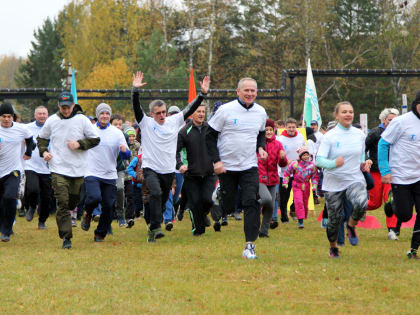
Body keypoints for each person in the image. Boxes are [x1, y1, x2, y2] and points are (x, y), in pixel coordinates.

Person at [131, 71, 210, 242]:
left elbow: (190, 109)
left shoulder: (174, 121)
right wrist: (135, 91)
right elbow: (137, 109)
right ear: (152, 114)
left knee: (161, 201)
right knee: (156, 193)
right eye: (158, 113)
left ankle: (152, 227)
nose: (161, 115)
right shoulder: (146, 123)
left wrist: (202, 95)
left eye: (163, 112)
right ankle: (157, 226)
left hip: (168, 170)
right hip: (150, 167)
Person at [206, 77, 268, 259]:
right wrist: (216, 161)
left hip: (249, 165)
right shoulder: (225, 110)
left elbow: (261, 132)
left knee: (252, 201)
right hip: (226, 167)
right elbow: (209, 136)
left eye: (253, 91)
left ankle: (250, 246)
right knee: (229, 207)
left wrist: (261, 147)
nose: (249, 94)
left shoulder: (261, 112)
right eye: (246, 90)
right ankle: (219, 193)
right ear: (238, 91)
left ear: (257, 93)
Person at [37, 92, 100, 249]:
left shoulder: (82, 120)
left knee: (73, 201)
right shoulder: (52, 120)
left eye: (68, 107)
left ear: (73, 105)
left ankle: (74, 213)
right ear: (59, 105)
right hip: (57, 167)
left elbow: (95, 139)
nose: (66, 110)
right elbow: (41, 139)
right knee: (63, 202)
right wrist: (44, 152)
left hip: (78, 169)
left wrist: (79, 144)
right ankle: (66, 237)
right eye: (63, 107)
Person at [316, 101, 370, 258]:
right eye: (344, 112)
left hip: (354, 178)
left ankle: (351, 226)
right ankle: (333, 247)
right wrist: (334, 163)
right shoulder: (330, 137)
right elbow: (318, 161)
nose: (348, 114)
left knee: (362, 203)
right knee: (334, 220)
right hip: (333, 182)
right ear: (337, 115)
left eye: (351, 112)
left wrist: (364, 163)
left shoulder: (359, 134)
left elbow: (360, 154)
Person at [378, 91, 420, 259]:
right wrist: (385, 170)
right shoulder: (401, 122)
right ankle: (391, 202)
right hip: (400, 176)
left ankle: (413, 249)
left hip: (419, 176)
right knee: (405, 215)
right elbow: (383, 144)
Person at [80, 103, 130, 242]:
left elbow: (127, 155)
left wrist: (125, 151)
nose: (105, 116)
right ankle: (88, 213)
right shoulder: (89, 130)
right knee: (94, 197)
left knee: (108, 206)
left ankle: (100, 233)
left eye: (107, 113)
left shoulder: (117, 132)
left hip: (109, 174)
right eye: (102, 113)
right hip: (91, 172)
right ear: (97, 115)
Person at [176, 103, 216, 236]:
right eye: (198, 111)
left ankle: (203, 216)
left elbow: (219, 146)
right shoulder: (184, 132)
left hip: (209, 173)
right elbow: (174, 152)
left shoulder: (210, 129)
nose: (201, 114)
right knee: (195, 203)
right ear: (192, 113)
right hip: (191, 174)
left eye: (203, 112)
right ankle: (198, 229)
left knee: (207, 200)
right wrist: (179, 165)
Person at [0, 103, 34, 242]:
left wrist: (28, 152)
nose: (7, 119)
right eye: (3, 116)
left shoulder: (21, 128)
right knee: (1, 202)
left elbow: (30, 140)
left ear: (13, 117)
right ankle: (4, 224)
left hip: (14, 169)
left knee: (9, 197)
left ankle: (6, 231)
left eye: (9, 116)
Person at [365, 108, 400, 240]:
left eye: (395, 120)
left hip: (392, 172)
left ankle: (392, 230)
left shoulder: (400, 133)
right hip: (376, 172)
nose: (392, 122)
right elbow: (363, 148)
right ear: (384, 120)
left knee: (391, 201)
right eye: (390, 120)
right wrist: (366, 160)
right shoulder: (375, 133)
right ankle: (355, 209)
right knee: (375, 203)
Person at [258, 118, 287, 237]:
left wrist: (282, 158)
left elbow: (283, 164)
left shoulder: (278, 144)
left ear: (274, 130)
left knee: (270, 206)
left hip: (273, 178)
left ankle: (263, 232)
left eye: (271, 129)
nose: (269, 132)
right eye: (266, 130)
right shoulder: (258, 144)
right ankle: (252, 205)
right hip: (260, 177)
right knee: (266, 200)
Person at [23, 106, 52, 229]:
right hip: (31, 165)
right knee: (33, 189)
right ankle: (31, 206)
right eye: (39, 114)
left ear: (48, 115)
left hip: (48, 167)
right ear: (35, 115)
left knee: (46, 197)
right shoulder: (27, 128)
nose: (42, 116)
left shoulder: (53, 128)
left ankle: (42, 221)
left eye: (44, 113)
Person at [276, 118, 305, 223]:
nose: (291, 129)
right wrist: (287, 161)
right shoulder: (280, 139)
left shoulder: (300, 137)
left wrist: (300, 160)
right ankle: (284, 217)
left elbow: (303, 152)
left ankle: (293, 210)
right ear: (286, 127)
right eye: (289, 127)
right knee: (284, 196)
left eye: (293, 127)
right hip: (284, 173)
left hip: (298, 172)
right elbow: (277, 154)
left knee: (299, 194)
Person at [282, 146, 318, 229]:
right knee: (299, 202)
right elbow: (287, 173)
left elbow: (315, 176)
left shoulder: (312, 165)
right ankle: (300, 222)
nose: (306, 156)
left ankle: (302, 216)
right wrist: (285, 182)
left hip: (306, 186)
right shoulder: (295, 164)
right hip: (296, 185)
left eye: (307, 155)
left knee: (305, 203)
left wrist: (314, 185)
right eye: (304, 155)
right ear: (300, 156)